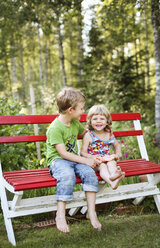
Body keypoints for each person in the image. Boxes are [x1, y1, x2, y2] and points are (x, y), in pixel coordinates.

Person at [46, 87, 102, 234]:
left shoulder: (75, 123)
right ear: (71, 110)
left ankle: (91, 212)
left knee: (89, 173)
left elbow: (87, 134)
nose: (83, 111)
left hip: (75, 160)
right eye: (81, 108)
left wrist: (100, 131)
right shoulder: (55, 128)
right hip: (58, 161)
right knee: (67, 176)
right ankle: (60, 214)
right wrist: (85, 160)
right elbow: (63, 154)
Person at [81, 104, 125, 190]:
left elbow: (116, 145)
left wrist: (118, 153)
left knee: (112, 163)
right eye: (95, 119)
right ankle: (112, 182)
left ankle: (114, 176)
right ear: (90, 121)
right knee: (102, 167)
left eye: (102, 119)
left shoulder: (108, 134)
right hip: (94, 162)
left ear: (107, 121)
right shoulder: (89, 135)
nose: (98, 121)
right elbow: (82, 152)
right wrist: (92, 157)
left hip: (106, 158)